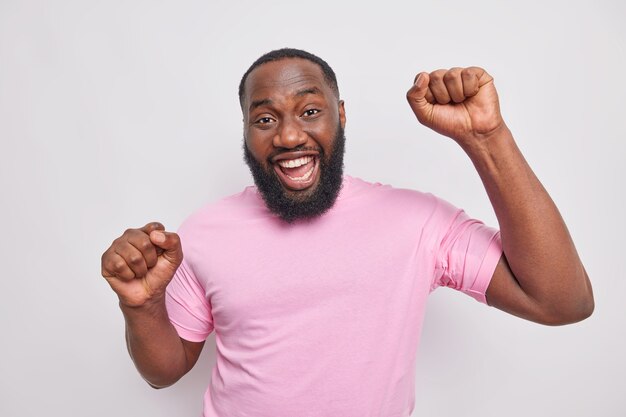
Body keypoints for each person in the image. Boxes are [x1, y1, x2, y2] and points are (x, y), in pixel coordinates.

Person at [101, 48, 594, 416]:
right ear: (246, 133)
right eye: (265, 118)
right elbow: (164, 372)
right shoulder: (205, 232)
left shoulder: (416, 221)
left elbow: (561, 302)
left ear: (342, 114)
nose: (289, 135)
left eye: (310, 110)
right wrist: (141, 306)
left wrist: (486, 138)